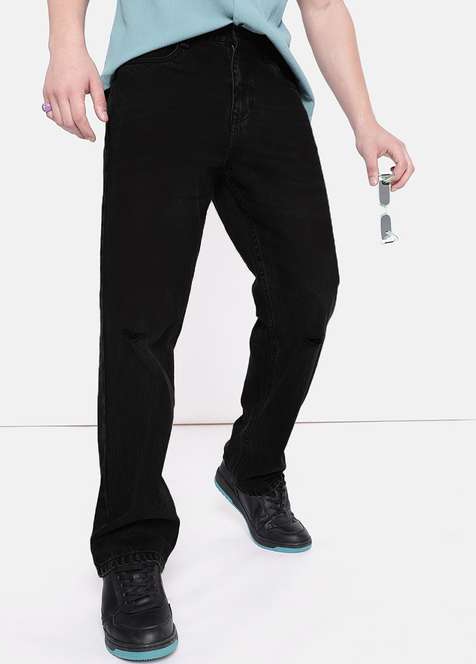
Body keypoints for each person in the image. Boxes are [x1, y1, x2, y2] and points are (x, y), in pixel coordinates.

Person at [43, 0, 414, 660]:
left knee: (307, 291)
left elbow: (322, 4)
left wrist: (366, 123)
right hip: (158, 71)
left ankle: (252, 467)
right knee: (139, 319)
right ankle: (131, 548)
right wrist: (65, 45)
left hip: (267, 76)